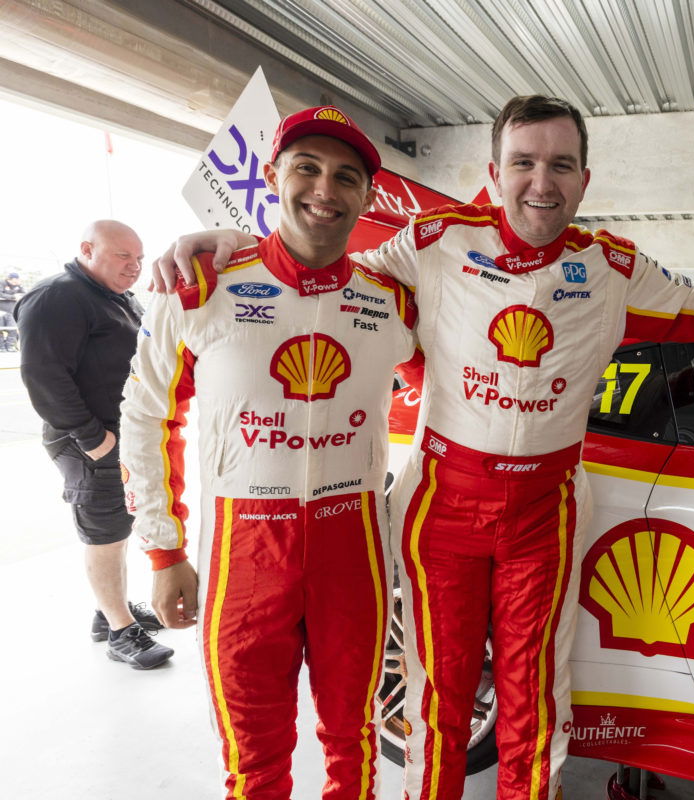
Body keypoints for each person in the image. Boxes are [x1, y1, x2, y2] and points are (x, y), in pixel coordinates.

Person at [155, 94, 694, 800]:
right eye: (524, 162)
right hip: (443, 501)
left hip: (545, 507)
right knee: (440, 691)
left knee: (535, 695)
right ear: (495, 173)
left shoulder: (612, 266)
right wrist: (232, 244)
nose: (542, 181)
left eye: (561, 165)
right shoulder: (436, 241)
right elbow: (323, 268)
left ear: (584, 181)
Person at [121, 106, 416, 799]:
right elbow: (145, 418)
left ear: (367, 199)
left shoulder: (394, 299)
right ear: (272, 175)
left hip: (355, 547)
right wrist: (163, 553)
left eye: (347, 177)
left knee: (356, 744)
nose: (325, 189)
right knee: (255, 761)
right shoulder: (199, 282)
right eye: (306, 167)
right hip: (245, 550)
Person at [15, 221, 171, 668]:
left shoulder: (113, 296)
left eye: (139, 258)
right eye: (124, 256)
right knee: (104, 535)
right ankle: (122, 633)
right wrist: (92, 437)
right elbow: (43, 377)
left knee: (119, 529)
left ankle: (109, 614)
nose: (134, 266)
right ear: (87, 249)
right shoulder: (59, 297)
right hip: (89, 441)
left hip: (118, 437)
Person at [0, 272, 24, 351]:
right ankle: (1, 347)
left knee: (13, 329)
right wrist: (13, 296)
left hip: (11, 311)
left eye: (17, 279)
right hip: (1, 311)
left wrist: (20, 291)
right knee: (0, 330)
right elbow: (1, 294)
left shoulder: (18, 285)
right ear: (9, 279)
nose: (16, 281)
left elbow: (24, 293)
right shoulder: (2, 283)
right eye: (14, 280)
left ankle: (10, 346)